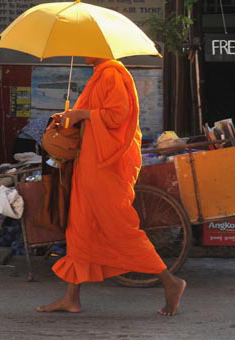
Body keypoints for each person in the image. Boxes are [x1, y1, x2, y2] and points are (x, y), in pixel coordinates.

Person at [37, 58, 186, 316]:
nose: (83, 53)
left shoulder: (111, 74)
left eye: (87, 46)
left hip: (105, 169)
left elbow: (118, 116)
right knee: (79, 228)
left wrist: (81, 114)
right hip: (88, 166)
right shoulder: (99, 75)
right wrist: (71, 117)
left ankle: (170, 282)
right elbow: (96, 118)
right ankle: (71, 297)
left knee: (119, 228)